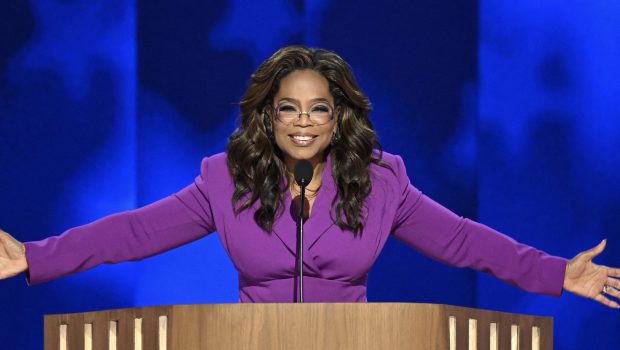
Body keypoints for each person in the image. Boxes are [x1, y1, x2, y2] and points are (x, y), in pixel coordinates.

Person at [0, 46, 619, 306]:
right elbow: (135, 233)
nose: (303, 123)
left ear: (338, 116)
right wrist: (36, 256)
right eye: (287, 108)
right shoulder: (225, 180)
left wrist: (557, 273)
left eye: (318, 107)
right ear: (267, 116)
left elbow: (461, 240)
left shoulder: (383, 183)